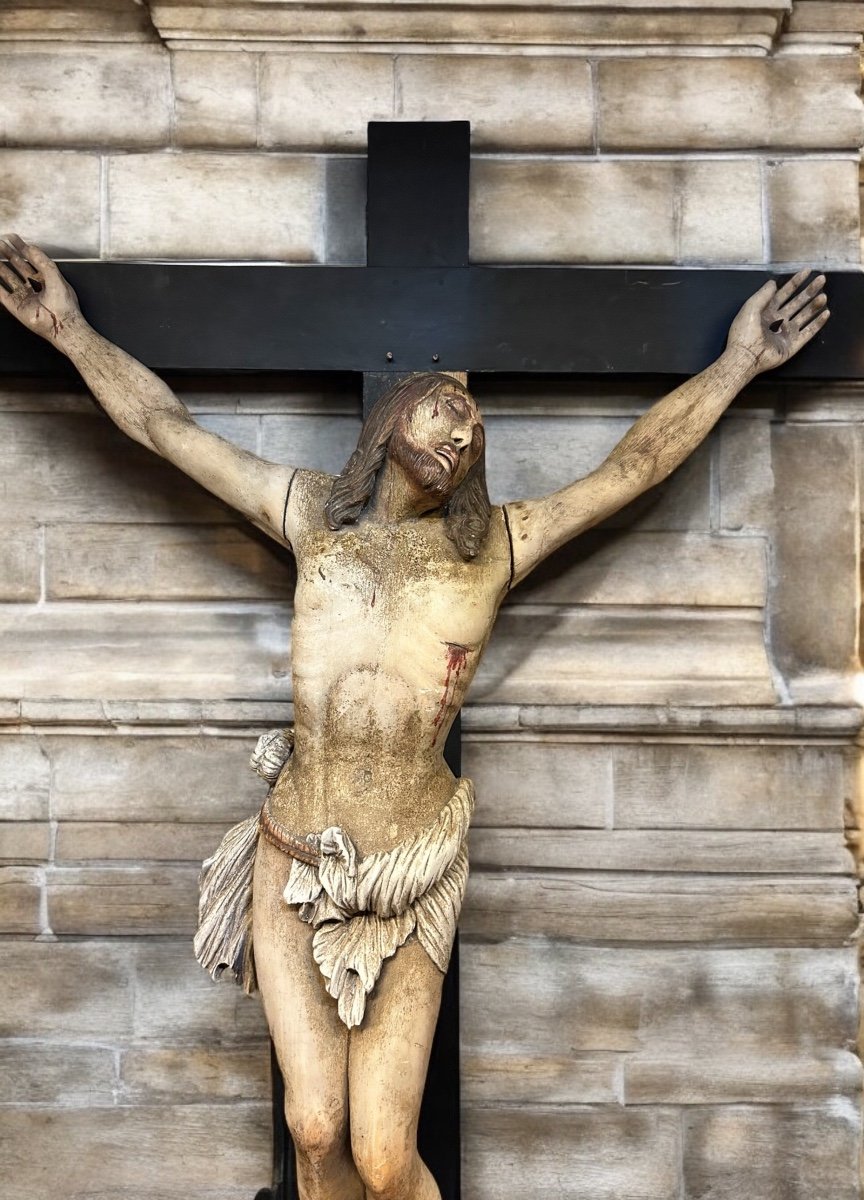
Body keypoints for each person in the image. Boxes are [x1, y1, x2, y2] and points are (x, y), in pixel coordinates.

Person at [0, 234, 829, 1200]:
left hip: (411, 866)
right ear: (394, 414)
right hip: (295, 850)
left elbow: (634, 466)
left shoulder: (495, 548)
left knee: (385, 1158)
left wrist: (737, 363)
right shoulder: (312, 514)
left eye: (474, 428)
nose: (462, 433)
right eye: (447, 407)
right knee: (315, 1131)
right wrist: (68, 332)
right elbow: (166, 429)